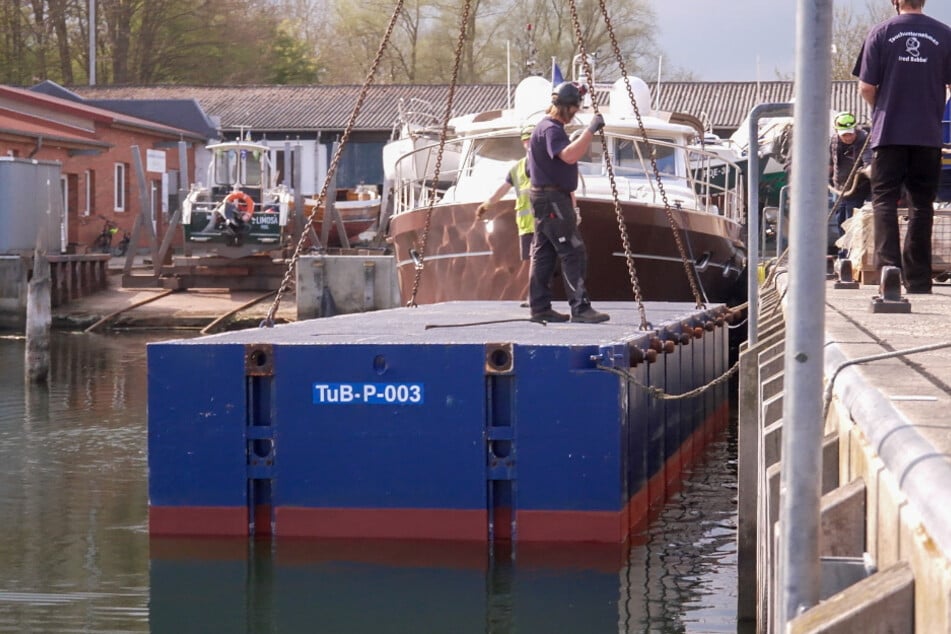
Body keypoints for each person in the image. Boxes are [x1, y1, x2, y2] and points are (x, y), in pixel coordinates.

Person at [852, 0, 951, 294]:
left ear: (896, 2)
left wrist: (881, 109)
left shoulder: (880, 32)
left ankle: (889, 274)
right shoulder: (945, 34)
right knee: (922, 204)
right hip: (927, 135)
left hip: (889, 133)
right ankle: (919, 280)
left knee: (884, 202)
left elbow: (866, 87)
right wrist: (933, 108)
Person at [526, 81, 609, 323]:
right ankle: (580, 308)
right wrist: (591, 130)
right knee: (573, 251)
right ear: (567, 107)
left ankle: (540, 307)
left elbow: (534, 169)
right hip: (552, 199)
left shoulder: (542, 128)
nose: (575, 114)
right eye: (575, 108)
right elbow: (569, 156)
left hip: (543, 197)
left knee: (544, 253)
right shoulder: (551, 129)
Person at [477, 126, 537, 264]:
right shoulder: (516, 169)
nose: (530, 144)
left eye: (533, 140)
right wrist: (487, 205)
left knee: (542, 265)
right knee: (531, 264)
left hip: (544, 226)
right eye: (527, 140)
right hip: (526, 228)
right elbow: (503, 188)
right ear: (523, 143)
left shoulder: (546, 164)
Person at [828, 111, 873, 259]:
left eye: (850, 134)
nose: (848, 137)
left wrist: (869, 171)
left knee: (851, 220)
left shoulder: (864, 140)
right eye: (844, 135)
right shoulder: (834, 140)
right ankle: (843, 253)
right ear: (837, 131)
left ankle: (852, 254)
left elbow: (868, 161)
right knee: (840, 219)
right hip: (838, 187)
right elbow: (831, 162)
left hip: (857, 187)